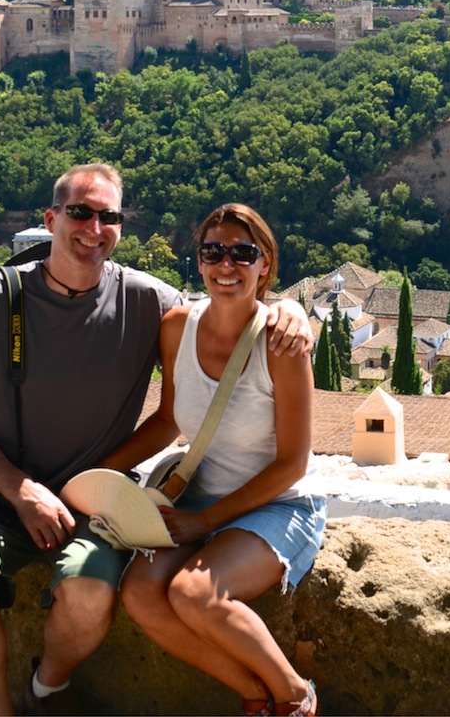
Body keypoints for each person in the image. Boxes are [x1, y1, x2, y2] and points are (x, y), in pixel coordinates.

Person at [0, 164, 313, 716]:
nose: (94, 227)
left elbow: (232, 310)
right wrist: (22, 490)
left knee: (90, 595)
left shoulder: (148, 302)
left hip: (96, 500)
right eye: (80, 212)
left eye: (109, 216)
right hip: (0, 492)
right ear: (51, 218)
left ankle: (46, 688)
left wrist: (295, 311)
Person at [106, 203, 324, 717]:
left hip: (277, 505)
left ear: (265, 264)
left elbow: (292, 465)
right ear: (200, 262)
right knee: (139, 594)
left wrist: (202, 522)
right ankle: (251, 691)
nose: (227, 264)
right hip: (200, 497)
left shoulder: (282, 345)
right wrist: (98, 473)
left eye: (242, 253)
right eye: (213, 251)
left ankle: (295, 694)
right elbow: (168, 422)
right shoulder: (177, 327)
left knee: (194, 594)